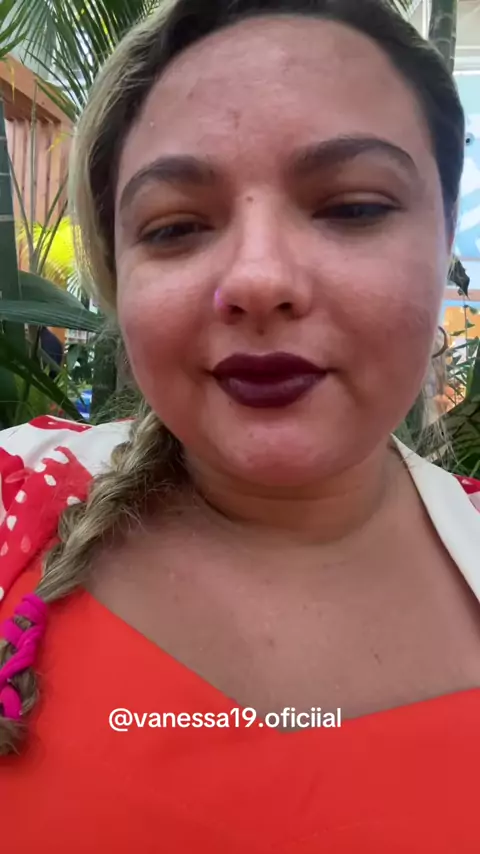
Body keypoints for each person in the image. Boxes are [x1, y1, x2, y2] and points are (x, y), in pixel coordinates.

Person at [1, 0, 479, 849]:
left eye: (352, 207)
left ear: (444, 234)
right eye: (177, 226)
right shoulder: (14, 506)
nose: (258, 279)